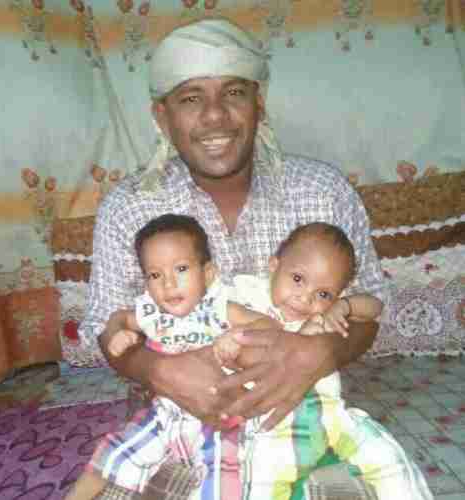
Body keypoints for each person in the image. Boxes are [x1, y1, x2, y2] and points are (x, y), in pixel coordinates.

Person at [77, 16, 402, 500]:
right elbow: (105, 325)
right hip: (178, 419)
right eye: (191, 98)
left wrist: (322, 352)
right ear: (162, 116)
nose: (215, 116)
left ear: (259, 104)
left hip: (305, 415)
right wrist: (159, 371)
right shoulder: (128, 208)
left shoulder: (323, 191)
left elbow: (371, 305)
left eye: (233, 92)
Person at [66, 213, 280, 500]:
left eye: (180, 268)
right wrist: (118, 334)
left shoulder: (219, 309)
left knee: (225, 480)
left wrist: (236, 336)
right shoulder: (152, 314)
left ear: (207, 274)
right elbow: (117, 317)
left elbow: (270, 326)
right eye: (155, 275)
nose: (168, 283)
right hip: (163, 415)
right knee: (111, 455)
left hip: (218, 418)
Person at [217, 222, 432, 499]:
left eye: (323, 293)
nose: (304, 298)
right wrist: (228, 337)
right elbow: (213, 310)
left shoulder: (327, 315)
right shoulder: (250, 293)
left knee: (389, 459)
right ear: (274, 265)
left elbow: (375, 307)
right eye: (297, 279)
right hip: (272, 424)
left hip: (332, 418)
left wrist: (344, 306)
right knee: (263, 479)